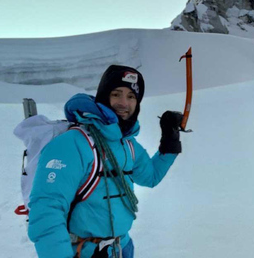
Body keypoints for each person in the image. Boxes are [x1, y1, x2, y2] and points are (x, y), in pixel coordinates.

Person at [28, 65, 184, 258]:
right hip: (83, 251)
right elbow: (47, 212)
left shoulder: (128, 145)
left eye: (131, 97)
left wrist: (169, 141)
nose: (123, 103)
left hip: (122, 247)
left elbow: (150, 177)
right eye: (116, 94)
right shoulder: (73, 143)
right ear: (103, 96)